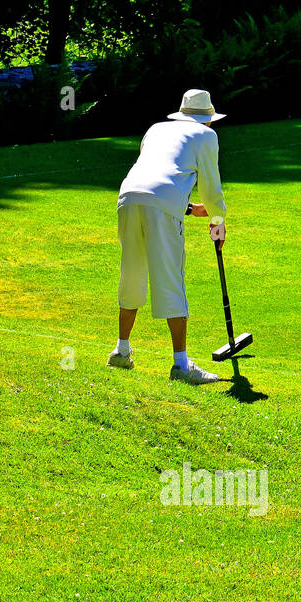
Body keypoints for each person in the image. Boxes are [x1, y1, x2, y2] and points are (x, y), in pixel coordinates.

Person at [110, 88, 228, 385]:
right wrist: (218, 221)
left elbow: (154, 175)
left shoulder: (156, 129)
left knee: (132, 272)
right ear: (207, 120)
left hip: (128, 198)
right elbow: (211, 189)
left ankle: (121, 352)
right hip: (159, 205)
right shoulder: (206, 136)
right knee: (170, 277)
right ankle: (181, 365)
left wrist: (187, 208)